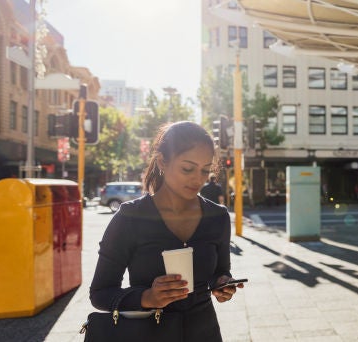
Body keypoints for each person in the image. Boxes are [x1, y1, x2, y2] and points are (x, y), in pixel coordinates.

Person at [89, 121, 243, 341]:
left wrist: (222, 284)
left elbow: (220, 271)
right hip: (149, 334)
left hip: (205, 333)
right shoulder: (130, 217)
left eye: (205, 170)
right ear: (162, 161)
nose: (198, 179)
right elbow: (100, 294)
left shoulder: (217, 217)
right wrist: (146, 297)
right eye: (187, 168)